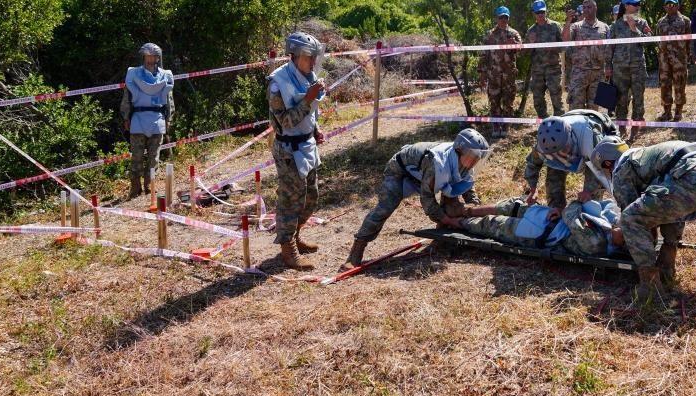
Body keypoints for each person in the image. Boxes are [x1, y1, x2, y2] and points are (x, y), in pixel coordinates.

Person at [590, 138, 696, 306]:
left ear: (608, 163)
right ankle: (666, 268)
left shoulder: (621, 170)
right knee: (667, 207)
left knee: (630, 218)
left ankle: (650, 288)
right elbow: (660, 212)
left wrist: (623, 235)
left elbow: (636, 219)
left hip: (694, 177)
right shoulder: (642, 156)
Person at [341, 128, 491, 269]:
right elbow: (427, 200)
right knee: (386, 206)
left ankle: (441, 240)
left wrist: (474, 208)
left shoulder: (463, 163)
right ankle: (356, 251)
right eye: (472, 157)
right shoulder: (437, 161)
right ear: (459, 150)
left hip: (424, 175)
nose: (474, 162)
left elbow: (467, 186)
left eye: (477, 158)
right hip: (401, 171)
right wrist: (450, 221)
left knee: (452, 205)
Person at [268, 32, 327, 270]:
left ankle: (296, 235)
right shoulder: (277, 82)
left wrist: (315, 130)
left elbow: (310, 112)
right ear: (294, 56)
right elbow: (284, 122)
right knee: (290, 201)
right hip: (288, 150)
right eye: (308, 57)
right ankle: (288, 249)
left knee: (311, 196)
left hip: (306, 145)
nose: (313, 62)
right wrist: (308, 99)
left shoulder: (308, 76)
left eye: (314, 57)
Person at [441, 197, 627, 259]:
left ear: (622, 242)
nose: (622, 225)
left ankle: (452, 221)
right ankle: (466, 211)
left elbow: (571, 213)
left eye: (625, 231)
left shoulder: (596, 243)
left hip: (538, 232)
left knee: (491, 224)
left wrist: (579, 202)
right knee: (512, 206)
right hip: (550, 219)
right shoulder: (610, 228)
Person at [523, 110, 619, 211]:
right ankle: (556, 210)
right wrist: (533, 188)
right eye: (555, 154)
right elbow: (532, 164)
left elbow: (601, 171)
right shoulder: (543, 144)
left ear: (570, 138)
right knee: (553, 175)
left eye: (562, 151)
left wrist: (589, 191)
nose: (560, 156)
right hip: (572, 127)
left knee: (590, 198)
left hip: (597, 140)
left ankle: (592, 215)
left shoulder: (590, 139)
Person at [121, 43, 174, 198]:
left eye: (154, 56)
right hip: (138, 118)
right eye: (148, 56)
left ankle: (150, 184)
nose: (151, 59)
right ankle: (135, 187)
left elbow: (169, 99)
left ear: (158, 57)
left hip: (157, 118)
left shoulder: (165, 75)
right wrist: (126, 117)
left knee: (154, 157)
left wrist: (169, 118)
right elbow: (127, 98)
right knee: (136, 156)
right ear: (143, 57)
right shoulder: (133, 74)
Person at [608, 0, 652, 141]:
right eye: (635, 4)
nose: (638, 6)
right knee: (621, 99)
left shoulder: (642, 23)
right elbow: (609, 48)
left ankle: (634, 130)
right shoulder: (615, 25)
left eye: (639, 3)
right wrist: (608, 66)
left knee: (638, 99)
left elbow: (649, 42)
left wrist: (635, 29)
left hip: (638, 67)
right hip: (620, 69)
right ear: (626, 6)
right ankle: (622, 129)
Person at [478, 6, 522, 139]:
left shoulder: (514, 33)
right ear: (497, 18)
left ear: (508, 18)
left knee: (508, 101)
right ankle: (496, 126)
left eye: (505, 17)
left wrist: (514, 45)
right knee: (494, 101)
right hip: (494, 75)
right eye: (501, 17)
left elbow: (521, 50)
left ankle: (506, 126)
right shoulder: (489, 34)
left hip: (509, 75)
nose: (503, 20)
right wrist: (482, 74)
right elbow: (483, 55)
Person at [563, 0, 611, 110]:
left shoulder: (604, 27)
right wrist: (568, 21)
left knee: (594, 109)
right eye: (584, 7)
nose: (586, 10)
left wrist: (609, 67)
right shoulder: (575, 27)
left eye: (589, 7)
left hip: (598, 74)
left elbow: (609, 49)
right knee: (576, 107)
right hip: (579, 73)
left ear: (595, 8)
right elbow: (565, 40)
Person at [525, 0, 565, 118]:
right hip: (537, 70)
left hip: (553, 68)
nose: (540, 15)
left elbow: (564, 46)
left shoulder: (555, 26)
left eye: (542, 12)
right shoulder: (531, 30)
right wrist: (530, 43)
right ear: (534, 13)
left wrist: (554, 47)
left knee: (556, 97)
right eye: (538, 13)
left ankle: (559, 122)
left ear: (546, 11)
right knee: (537, 98)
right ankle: (544, 122)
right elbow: (525, 52)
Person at [654, 0, 691, 121]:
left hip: (679, 59)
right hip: (664, 59)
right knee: (665, 84)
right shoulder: (660, 22)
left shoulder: (685, 21)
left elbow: (690, 40)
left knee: (680, 84)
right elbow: (657, 39)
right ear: (664, 7)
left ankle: (678, 112)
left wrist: (689, 55)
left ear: (678, 6)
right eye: (668, 5)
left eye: (673, 4)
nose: (670, 7)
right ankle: (667, 112)